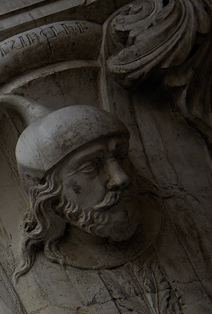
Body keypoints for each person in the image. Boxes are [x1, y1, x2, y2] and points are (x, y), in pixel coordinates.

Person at [10, 103, 142, 277]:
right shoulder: (46, 281)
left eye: (121, 156)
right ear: (51, 194)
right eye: (91, 166)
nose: (121, 178)